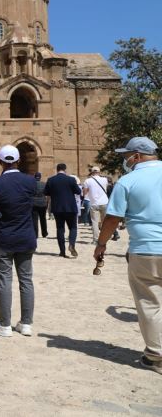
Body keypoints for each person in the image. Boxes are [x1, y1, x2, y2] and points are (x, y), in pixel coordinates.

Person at [94, 137, 162, 375]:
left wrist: (101, 244)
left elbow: (113, 218)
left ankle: (156, 356)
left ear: (137, 156)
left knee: (149, 302)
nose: (125, 161)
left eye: (126, 157)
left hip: (146, 249)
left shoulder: (128, 181)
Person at [0, 145, 37, 338]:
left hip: (4, 237)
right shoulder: (30, 182)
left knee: (5, 281)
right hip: (26, 236)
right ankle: (26, 324)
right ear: (18, 161)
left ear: (0, 162)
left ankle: (5, 325)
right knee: (26, 280)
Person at [44, 163, 82, 258]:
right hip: (70, 207)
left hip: (57, 208)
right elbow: (78, 191)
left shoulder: (51, 180)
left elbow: (46, 192)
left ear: (57, 169)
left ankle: (62, 251)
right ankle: (71, 245)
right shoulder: (71, 179)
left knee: (60, 229)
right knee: (73, 228)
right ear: (65, 169)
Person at [83, 166, 109, 243]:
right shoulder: (104, 179)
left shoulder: (87, 181)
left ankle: (95, 239)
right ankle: (104, 238)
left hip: (94, 203)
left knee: (94, 222)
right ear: (99, 172)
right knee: (104, 222)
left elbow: (84, 193)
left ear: (91, 172)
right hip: (104, 202)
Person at [32, 172, 48, 238]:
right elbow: (46, 193)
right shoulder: (44, 184)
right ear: (40, 177)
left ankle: (35, 234)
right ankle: (44, 233)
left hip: (34, 203)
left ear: (34, 177)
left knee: (34, 219)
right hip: (43, 203)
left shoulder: (31, 184)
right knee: (43, 218)